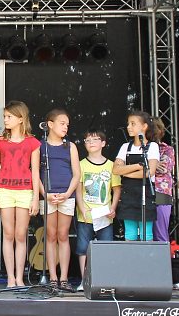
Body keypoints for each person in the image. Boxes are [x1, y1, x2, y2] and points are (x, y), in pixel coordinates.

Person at [0, 101, 41, 288]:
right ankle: (10, 277)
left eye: (9, 116)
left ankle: (20, 277)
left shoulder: (33, 143)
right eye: (4, 116)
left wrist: (36, 198)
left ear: (21, 119)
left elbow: (35, 172)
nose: (5, 120)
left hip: (25, 191)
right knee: (8, 234)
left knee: (21, 234)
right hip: (4, 190)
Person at [75, 129, 121, 291]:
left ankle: (104, 281)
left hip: (105, 214)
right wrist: (82, 209)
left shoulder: (111, 165)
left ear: (103, 143)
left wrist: (113, 208)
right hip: (86, 214)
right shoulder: (81, 164)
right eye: (87, 140)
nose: (91, 143)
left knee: (105, 247)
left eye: (95, 140)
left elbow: (116, 189)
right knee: (83, 249)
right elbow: (78, 189)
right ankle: (84, 281)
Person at [40, 109, 80, 292]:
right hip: (47, 195)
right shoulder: (40, 146)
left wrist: (68, 193)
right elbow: (35, 174)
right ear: (50, 124)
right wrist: (45, 194)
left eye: (67, 125)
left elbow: (76, 174)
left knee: (63, 235)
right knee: (50, 235)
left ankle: (64, 278)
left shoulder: (70, 146)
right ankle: (53, 278)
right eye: (62, 123)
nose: (65, 127)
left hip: (66, 195)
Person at [113, 110, 160, 241]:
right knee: (130, 233)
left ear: (144, 126)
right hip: (128, 196)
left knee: (147, 233)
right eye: (128, 124)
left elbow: (149, 172)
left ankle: (146, 255)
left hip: (145, 195)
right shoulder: (125, 147)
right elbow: (116, 170)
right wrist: (137, 166)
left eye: (133, 124)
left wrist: (126, 173)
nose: (129, 127)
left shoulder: (152, 146)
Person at [152, 117, 175, 242]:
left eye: (154, 128)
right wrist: (153, 165)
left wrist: (147, 166)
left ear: (161, 130)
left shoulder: (167, 149)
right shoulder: (139, 149)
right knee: (144, 234)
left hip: (162, 194)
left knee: (160, 234)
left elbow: (164, 168)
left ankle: (162, 255)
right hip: (143, 192)